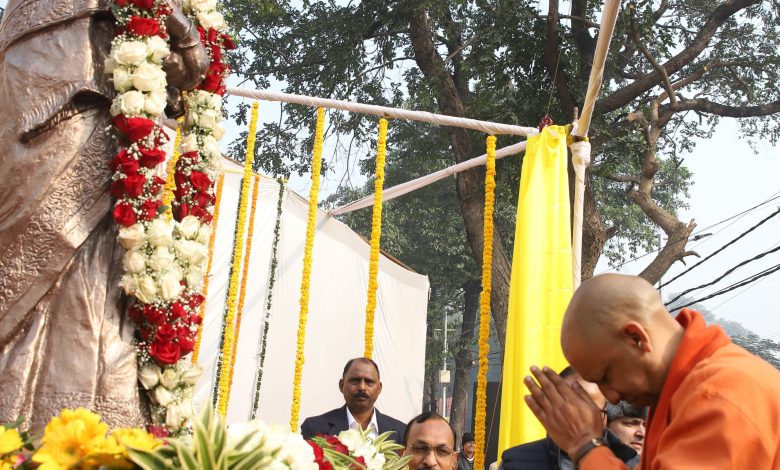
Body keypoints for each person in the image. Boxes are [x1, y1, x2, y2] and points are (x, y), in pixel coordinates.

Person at [0, 0, 207, 430]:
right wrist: (185, 37)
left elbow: (187, 67)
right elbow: (187, 61)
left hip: (95, 107)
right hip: (57, 99)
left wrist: (184, 38)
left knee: (100, 267)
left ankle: (70, 417)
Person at [524, 273, 780, 469]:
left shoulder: (719, 394)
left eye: (607, 377)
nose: (611, 398)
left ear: (636, 338)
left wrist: (585, 445)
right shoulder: (679, 394)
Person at [501, 367, 639, 470]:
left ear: (605, 415)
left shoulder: (633, 462)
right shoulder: (516, 462)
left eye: (590, 412)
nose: (578, 421)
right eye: (569, 411)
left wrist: (586, 447)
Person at [301, 357, 406, 442]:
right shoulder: (314, 428)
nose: (362, 387)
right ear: (341, 385)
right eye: (355, 380)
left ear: (379, 388)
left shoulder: (401, 432)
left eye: (369, 381)